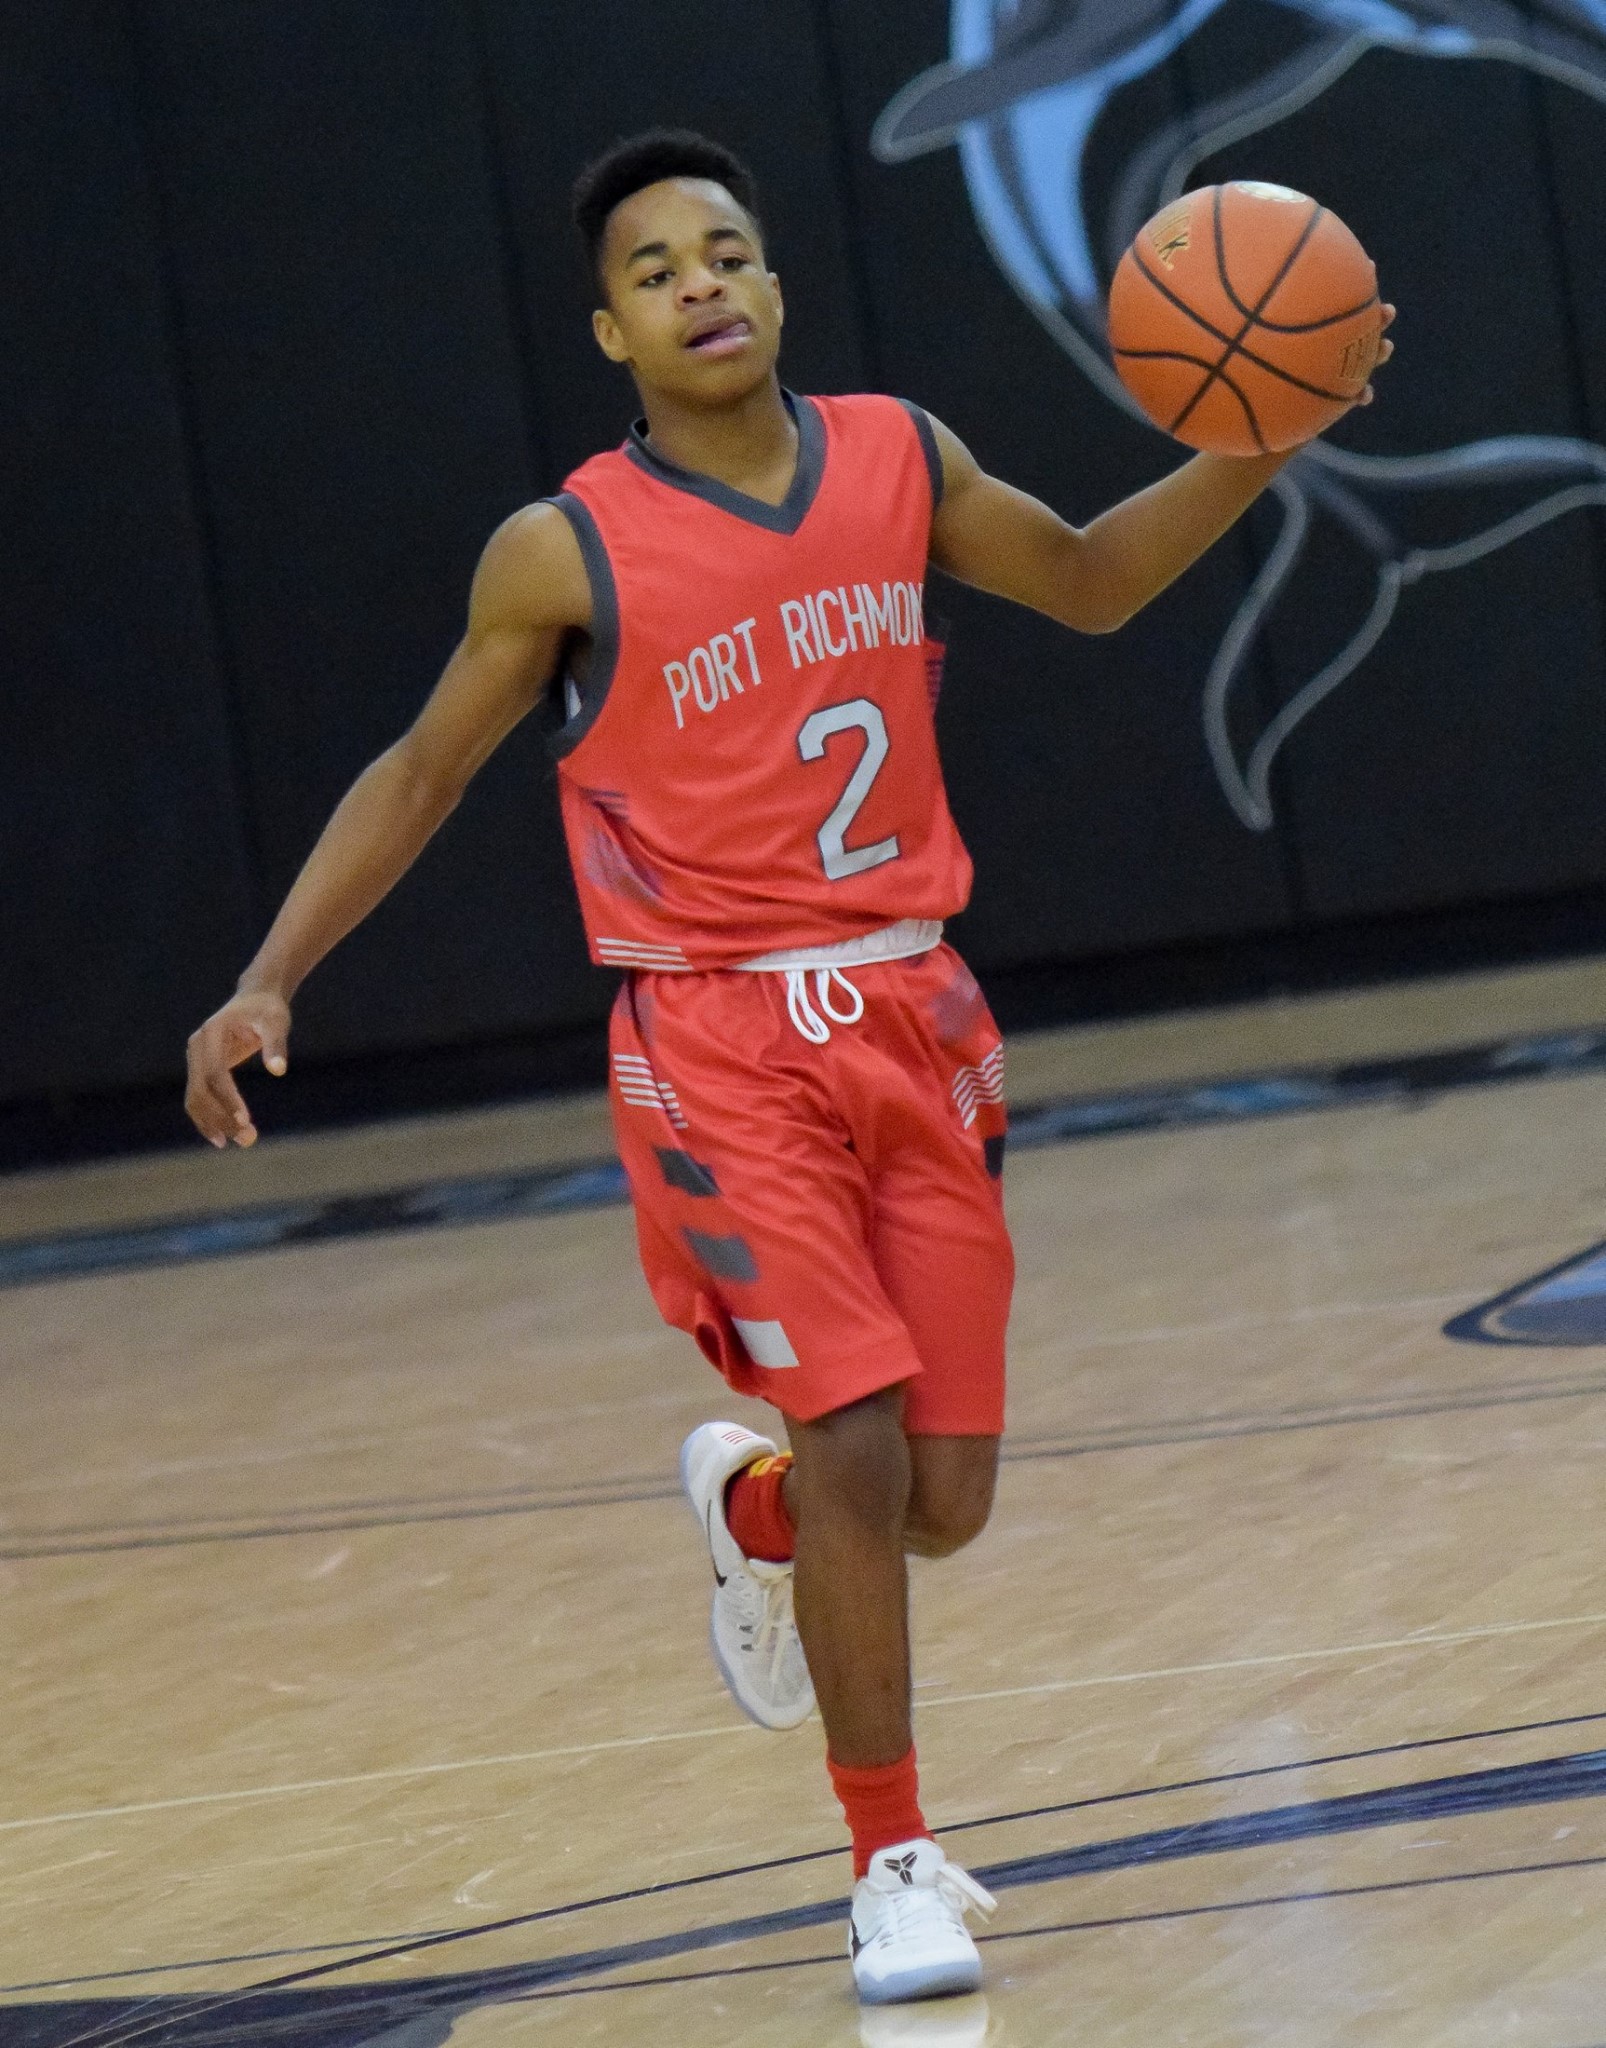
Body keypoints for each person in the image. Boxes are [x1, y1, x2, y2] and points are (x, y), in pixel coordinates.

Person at [184, 129, 1391, 2006]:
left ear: (776, 284)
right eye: (657, 267)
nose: (702, 282)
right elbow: (421, 772)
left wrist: (1264, 437)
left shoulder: (900, 458)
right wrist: (267, 977)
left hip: (915, 1013)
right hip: (714, 1037)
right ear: (609, 329)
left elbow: (1082, 583)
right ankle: (886, 1860)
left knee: (935, 1494)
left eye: (728, 250)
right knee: (849, 1435)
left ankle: (744, 1518)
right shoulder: (563, 545)